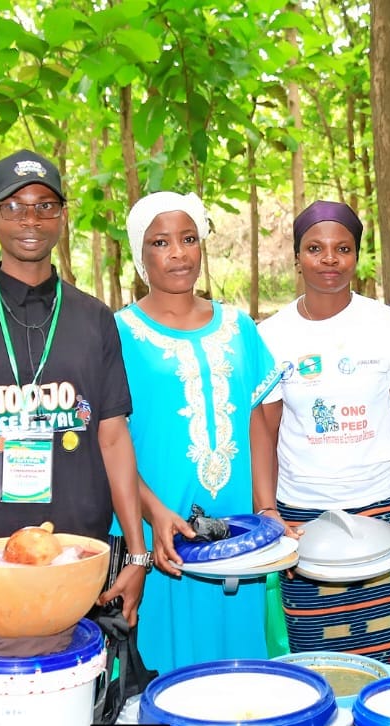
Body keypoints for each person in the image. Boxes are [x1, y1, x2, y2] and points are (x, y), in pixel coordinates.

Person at [0, 149, 149, 625]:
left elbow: (114, 436)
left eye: (45, 205)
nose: (31, 219)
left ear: (62, 217)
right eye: (14, 206)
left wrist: (137, 556)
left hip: (80, 557)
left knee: (80, 691)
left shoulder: (94, 319)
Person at [254, 201, 390, 673]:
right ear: (297, 257)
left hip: (380, 508)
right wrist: (268, 511)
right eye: (315, 248)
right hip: (303, 517)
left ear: (357, 255)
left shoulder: (387, 325)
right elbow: (265, 429)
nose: (329, 259)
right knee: (320, 659)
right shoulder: (271, 336)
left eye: (342, 248)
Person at [114, 191, 280, 671]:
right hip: (153, 537)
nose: (178, 253)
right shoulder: (118, 333)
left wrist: (265, 509)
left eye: (188, 239)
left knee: (236, 680)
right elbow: (110, 442)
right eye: (161, 242)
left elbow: (257, 420)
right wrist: (154, 512)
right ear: (140, 255)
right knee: (145, 682)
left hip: (234, 536)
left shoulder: (238, 326)